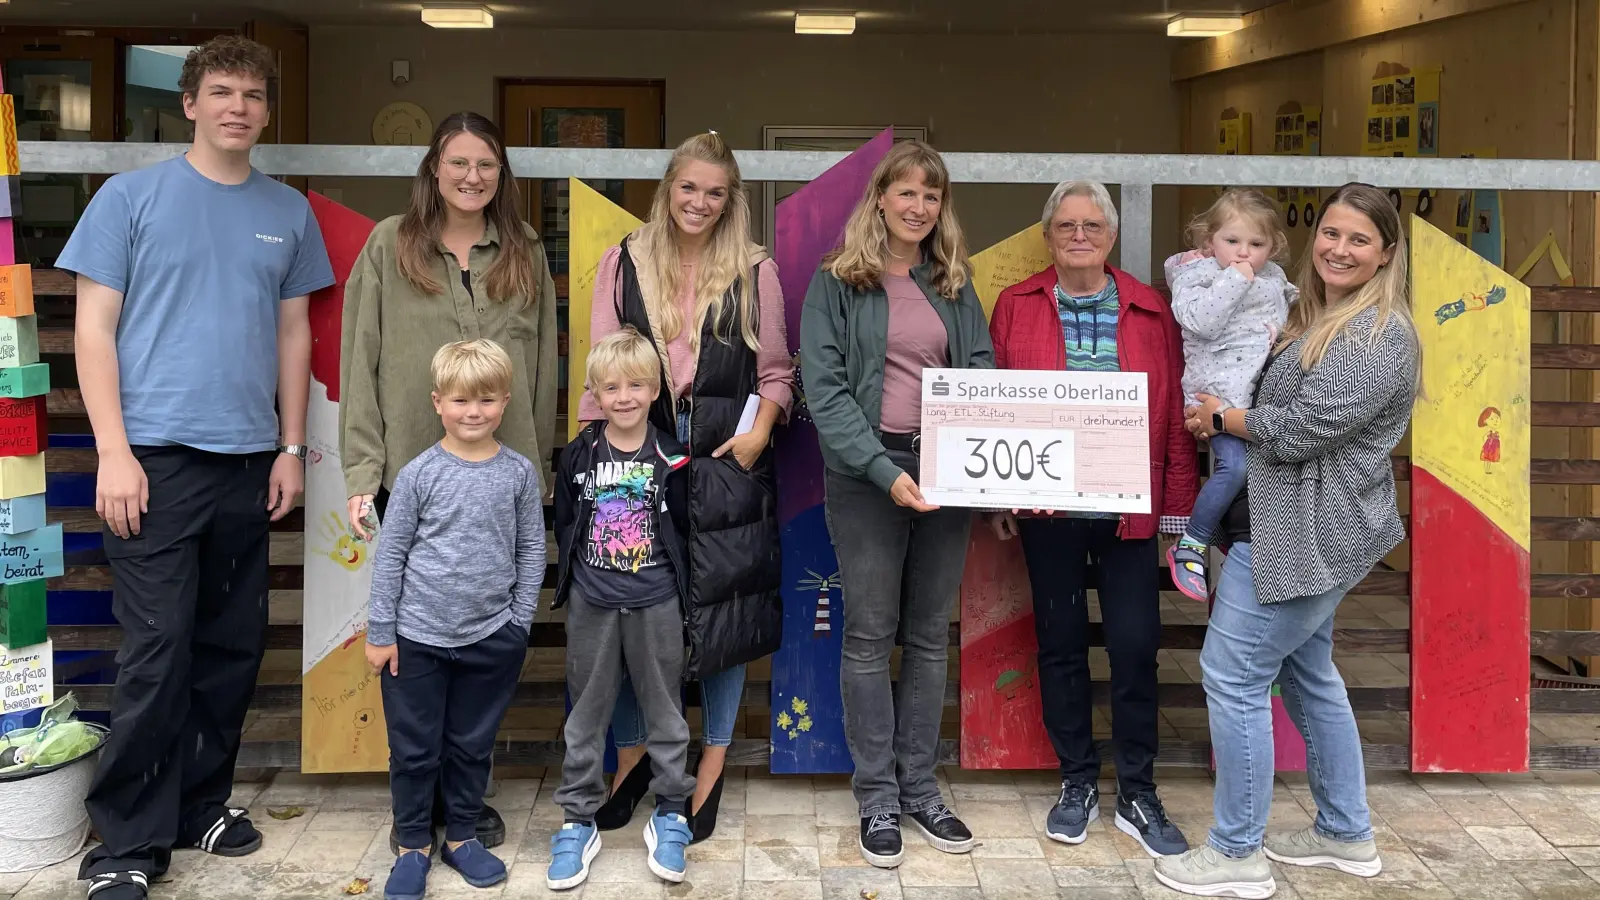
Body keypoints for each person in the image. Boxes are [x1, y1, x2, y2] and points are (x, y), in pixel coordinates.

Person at [58, 36, 333, 900]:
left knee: (229, 647)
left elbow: (294, 336)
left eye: (253, 95)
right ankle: (126, 842)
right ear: (189, 103)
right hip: (152, 462)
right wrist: (113, 451)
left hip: (249, 461)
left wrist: (290, 449)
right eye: (221, 92)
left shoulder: (287, 211)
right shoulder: (128, 198)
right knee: (157, 651)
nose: (238, 108)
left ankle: (201, 805)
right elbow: (93, 330)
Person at [1155, 183, 1418, 899]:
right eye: (1331, 233)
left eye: (1359, 239)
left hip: (1304, 535)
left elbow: (1304, 431)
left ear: (1386, 253)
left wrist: (1226, 417)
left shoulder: (1377, 334)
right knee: (1309, 676)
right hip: (1286, 525)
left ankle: (1238, 853)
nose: (1339, 248)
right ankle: (1344, 831)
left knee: (1233, 676)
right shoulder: (1318, 316)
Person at [340, 110, 559, 852]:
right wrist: (363, 470)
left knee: (484, 642)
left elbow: (543, 367)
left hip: (503, 478)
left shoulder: (525, 249)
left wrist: (539, 469)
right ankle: (419, 804)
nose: (472, 177)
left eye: (487, 165)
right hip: (414, 473)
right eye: (459, 162)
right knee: (417, 646)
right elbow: (360, 359)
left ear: (503, 174)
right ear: (434, 168)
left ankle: (465, 798)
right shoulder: (387, 244)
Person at [581, 132, 789, 843]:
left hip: (728, 468)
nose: (699, 203)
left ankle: (714, 760)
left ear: (731, 200)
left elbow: (777, 375)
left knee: (724, 621)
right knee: (638, 614)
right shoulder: (624, 262)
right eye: (688, 188)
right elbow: (598, 375)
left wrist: (759, 435)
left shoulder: (755, 270)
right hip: (642, 469)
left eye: (715, 192)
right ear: (668, 188)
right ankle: (634, 755)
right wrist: (593, 462)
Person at [986, 180, 1198, 857]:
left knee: (1136, 647)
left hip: (1129, 511)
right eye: (1067, 226)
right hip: (1047, 508)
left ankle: (1137, 790)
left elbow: (1170, 419)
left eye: (1093, 226)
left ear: (1110, 236)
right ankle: (1077, 780)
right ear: (1048, 236)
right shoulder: (1015, 306)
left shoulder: (1150, 310)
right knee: (1061, 644)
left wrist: (1177, 514)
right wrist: (996, 494)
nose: (1080, 236)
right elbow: (995, 404)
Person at [799, 140, 991, 868]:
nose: (918, 207)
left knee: (930, 636)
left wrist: (965, 466)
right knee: (870, 636)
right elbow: (826, 389)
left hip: (947, 471)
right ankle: (876, 794)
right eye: (906, 192)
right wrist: (884, 471)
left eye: (931, 196)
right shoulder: (837, 282)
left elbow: (979, 369)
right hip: (864, 473)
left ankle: (921, 787)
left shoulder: (953, 281)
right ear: (879, 196)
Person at [366, 339, 545, 900]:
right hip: (415, 641)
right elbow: (390, 554)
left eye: (487, 400)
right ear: (438, 402)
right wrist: (381, 632)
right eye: (462, 400)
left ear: (506, 401)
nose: (474, 412)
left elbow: (532, 551)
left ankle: (463, 836)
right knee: (414, 748)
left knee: (471, 744)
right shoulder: (418, 475)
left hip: (491, 637)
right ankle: (413, 844)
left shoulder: (518, 474)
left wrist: (518, 623)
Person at [547, 328, 699, 889]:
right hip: (594, 604)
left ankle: (670, 813)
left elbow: (683, 527)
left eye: (636, 385)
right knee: (586, 715)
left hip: (656, 603)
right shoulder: (580, 454)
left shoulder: (674, 456)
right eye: (611, 387)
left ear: (656, 389)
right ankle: (577, 818)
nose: (625, 397)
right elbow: (566, 520)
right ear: (594, 392)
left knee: (666, 712)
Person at [1163, 189, 1297, 601]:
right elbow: (1199, 321)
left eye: (1256, 245)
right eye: (1232, 241)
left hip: (1258, 400)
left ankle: (1224, 532)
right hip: (1215, 398)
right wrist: (1235, 279)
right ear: (1209, 240)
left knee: (1262, 475)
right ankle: (1192, 543)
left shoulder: (1272, 275)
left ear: (1272, 247)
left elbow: (1286, 309)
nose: (1244, 253)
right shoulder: (1198, 275)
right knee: (1234, 470)